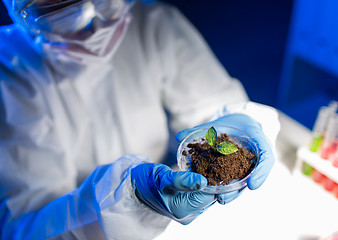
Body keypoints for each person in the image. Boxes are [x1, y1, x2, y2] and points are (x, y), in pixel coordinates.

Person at [0, 0, 279, 239]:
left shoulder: (155, 23)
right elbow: (24, 227)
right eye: (62, 6)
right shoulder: (8, 75)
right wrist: (131, 198)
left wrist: (239, 120)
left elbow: (215, 110)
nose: (93, 23)